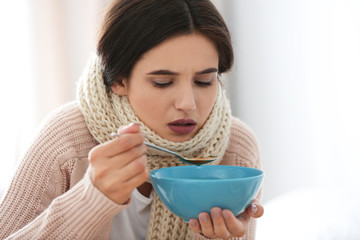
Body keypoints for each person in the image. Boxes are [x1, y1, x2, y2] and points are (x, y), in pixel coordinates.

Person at [0, 0, 263, 239]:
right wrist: (92, 199)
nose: (188, 103)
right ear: (118, 80)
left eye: (204, 81)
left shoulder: (235, 148)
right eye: (162, 82)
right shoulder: (66, 140)